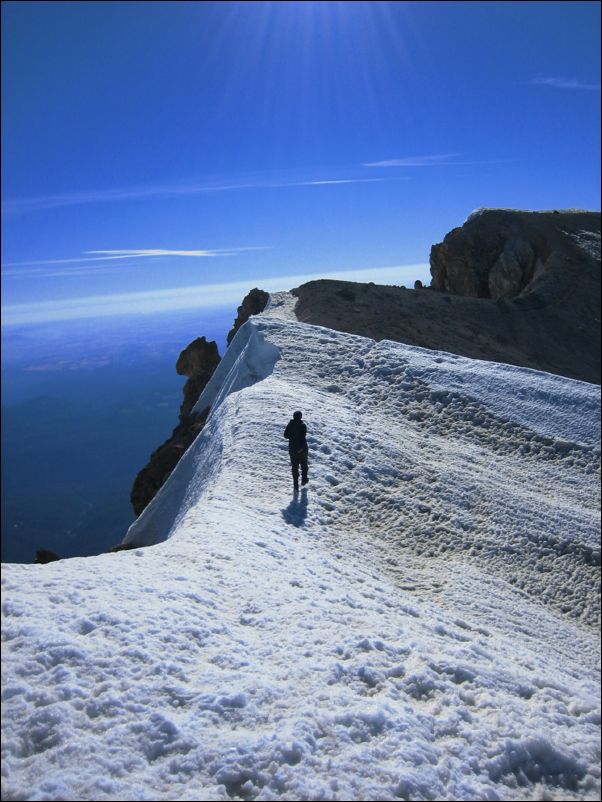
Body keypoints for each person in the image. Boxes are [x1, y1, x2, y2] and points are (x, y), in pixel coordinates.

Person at [284, 410, 309, 491]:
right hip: (302, 450)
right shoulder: (302, 425)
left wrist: (292, 435)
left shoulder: (290, 425)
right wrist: (301, 448)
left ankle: (295, 486)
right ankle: (304, 481)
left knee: (294, 467)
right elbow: (303, 437)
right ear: (300, 417)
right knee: (304, 466)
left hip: (293, 450)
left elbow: (285, 435)